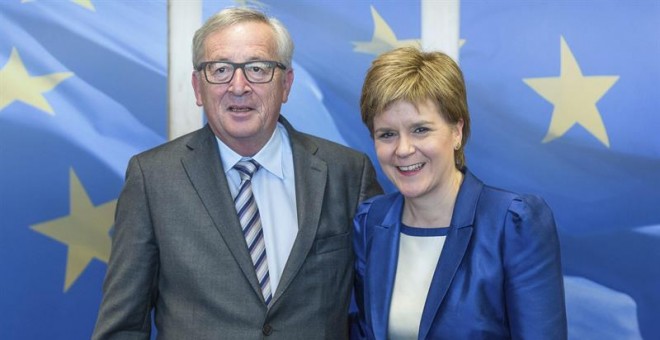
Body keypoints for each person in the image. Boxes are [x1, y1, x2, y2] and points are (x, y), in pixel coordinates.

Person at [92, 7, 382, 339]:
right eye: (220, 69)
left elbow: (380, 313)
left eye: (258, 69)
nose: (239, 86)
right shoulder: (153, 179)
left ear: (285, 84)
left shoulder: (347, 173)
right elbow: (122, 327)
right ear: (198, 87)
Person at [351, 47, 567, 339]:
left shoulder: (513, 223)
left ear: (457, 132)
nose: (403, 149)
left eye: (420, 130)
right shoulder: (370, 222)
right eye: (387, 134)